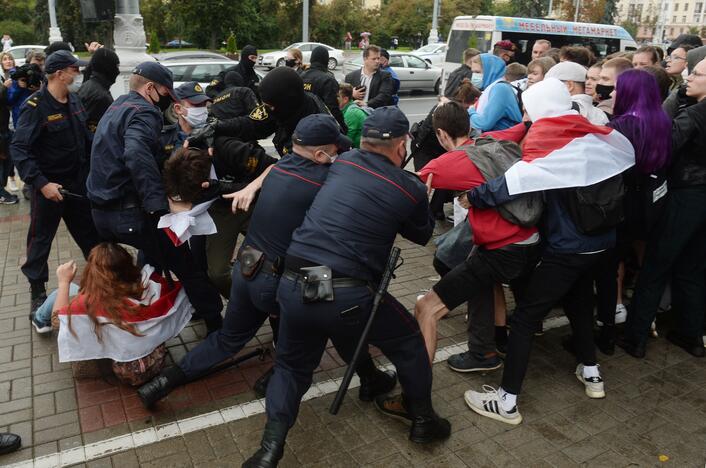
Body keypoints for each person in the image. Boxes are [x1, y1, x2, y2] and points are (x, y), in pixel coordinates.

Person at [137, 115, 393, 408]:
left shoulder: (282, 167)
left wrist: (252, 186)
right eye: (335, 150)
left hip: (249, 263)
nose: (338, 155)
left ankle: (161, 384)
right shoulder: (328, 181)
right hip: (307, 271)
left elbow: (272, 167)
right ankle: (359, 378)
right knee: (325, 327)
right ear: (321, 153)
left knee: (227, 339)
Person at [244, 107, 450, 467]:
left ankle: (269, 450)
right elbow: (420, 234)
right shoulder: (409, 187)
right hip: (348, 290)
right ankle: (423, 421)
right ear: (402, 145)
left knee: (292, 367)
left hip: (301, 278)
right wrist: (425, 198)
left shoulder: (341, 163)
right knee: (408, 344)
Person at [463, 78, 635, 424]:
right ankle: (592, 373)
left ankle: (507, 401)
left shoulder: (549, 139)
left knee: (526, 317)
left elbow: (512, 183)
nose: (526, 114)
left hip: (567, 249)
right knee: (579, 304)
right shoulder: (590, 129)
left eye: (529, 107)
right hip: (603, 245)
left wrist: (474, 196)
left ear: (541, 108)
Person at [87, 62, 224, 334]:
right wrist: (159, 208)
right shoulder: (144, 111)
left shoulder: (115, 108)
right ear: (150, 89)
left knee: (149, 257)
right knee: (185, 264)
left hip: (101, 212)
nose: (166, 101)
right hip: (129, 211)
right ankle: (216, 325)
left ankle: (148, 319)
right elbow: (136, 154)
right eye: (164, 93)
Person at [415, 101, 541, 370]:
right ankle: (494, 344)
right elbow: (518, 129)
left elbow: (412, 183)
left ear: (442, 135)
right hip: (529, 238)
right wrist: (528, 122)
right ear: (469, 125)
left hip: (503, 248)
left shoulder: (450, 162)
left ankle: (478, 357)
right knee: (483, 282)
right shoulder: (492, 140)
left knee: (428, 307)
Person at [620, 58, 706, 359]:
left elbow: (664, 153)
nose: (688, 78)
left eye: (697, 74)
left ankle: (635, 337)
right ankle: (691, 334)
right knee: (692, 269)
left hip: (685, 196)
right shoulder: (690, 110)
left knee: (655, 267)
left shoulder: (694, 115)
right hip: (699, 199)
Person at [10, 50, 101, 318]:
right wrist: (41, 184)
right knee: (40, 243)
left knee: (93, 238)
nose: (78, 73)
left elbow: (87, 141)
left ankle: (105, 281)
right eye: (74, 69)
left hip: (77, 188)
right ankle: (37, 295)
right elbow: (20, 149)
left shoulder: (75, 101)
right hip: (49, 189)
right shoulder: (35, 107)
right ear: (60, 74)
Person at [49, 244, 192, 386]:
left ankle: (38, 317)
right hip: (155, 362)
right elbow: (175, 291)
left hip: (125, 370)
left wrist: (64, 282)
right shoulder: (147, 285)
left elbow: (57, 321)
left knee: (61, 295)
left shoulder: (90, 302)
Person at [206, 66, 339, 157]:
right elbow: (251, 123)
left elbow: (297, 170)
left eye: (270, 107)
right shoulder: (283, 107)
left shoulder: (318, 129)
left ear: (286, 102)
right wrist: (217, 126)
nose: (269, 111)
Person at [468, 53, 522, 131]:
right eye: (473, 72)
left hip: (502, 141)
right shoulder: (493, 88)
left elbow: (484, 124)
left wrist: (471, 112)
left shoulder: (500, 89)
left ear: (490, 71)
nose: (474, 76)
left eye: (477, 72)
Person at [301, 46, 347, 131]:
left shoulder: (301, 76)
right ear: (326, 60)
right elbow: (332, 108)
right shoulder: (328, 80)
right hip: (319, 128)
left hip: (300, 126)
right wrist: (342, 127)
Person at [77, 48, 120, 133]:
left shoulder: (88, 85)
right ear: (108, 68)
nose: (118, 71)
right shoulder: (101, 97)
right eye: (116, 66)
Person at [344, 44, 394, 108]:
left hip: (375, 114)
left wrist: (366, 104)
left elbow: (384, 95)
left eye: (378, 58)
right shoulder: (350, 77)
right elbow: (343, 98)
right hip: (355, 115)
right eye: (374, 59)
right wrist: (351, 94)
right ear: (365, 59)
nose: (377, 61)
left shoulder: (385, 76)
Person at [0, 51, 17, 203]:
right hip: (3, 127)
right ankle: (2, 191)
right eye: (4, 59)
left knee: (8, 157)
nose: (8, 61)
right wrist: (4, 87)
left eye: (10, 58)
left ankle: (5, 186)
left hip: (9, 125)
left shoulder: (16, 75)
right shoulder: (3, 80)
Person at [338, 83, 367, 148]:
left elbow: (346, 141)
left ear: (345, 99)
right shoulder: (348, 108)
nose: (333, 99)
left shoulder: (352, 112)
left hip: (360, 152)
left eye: (337, 96)